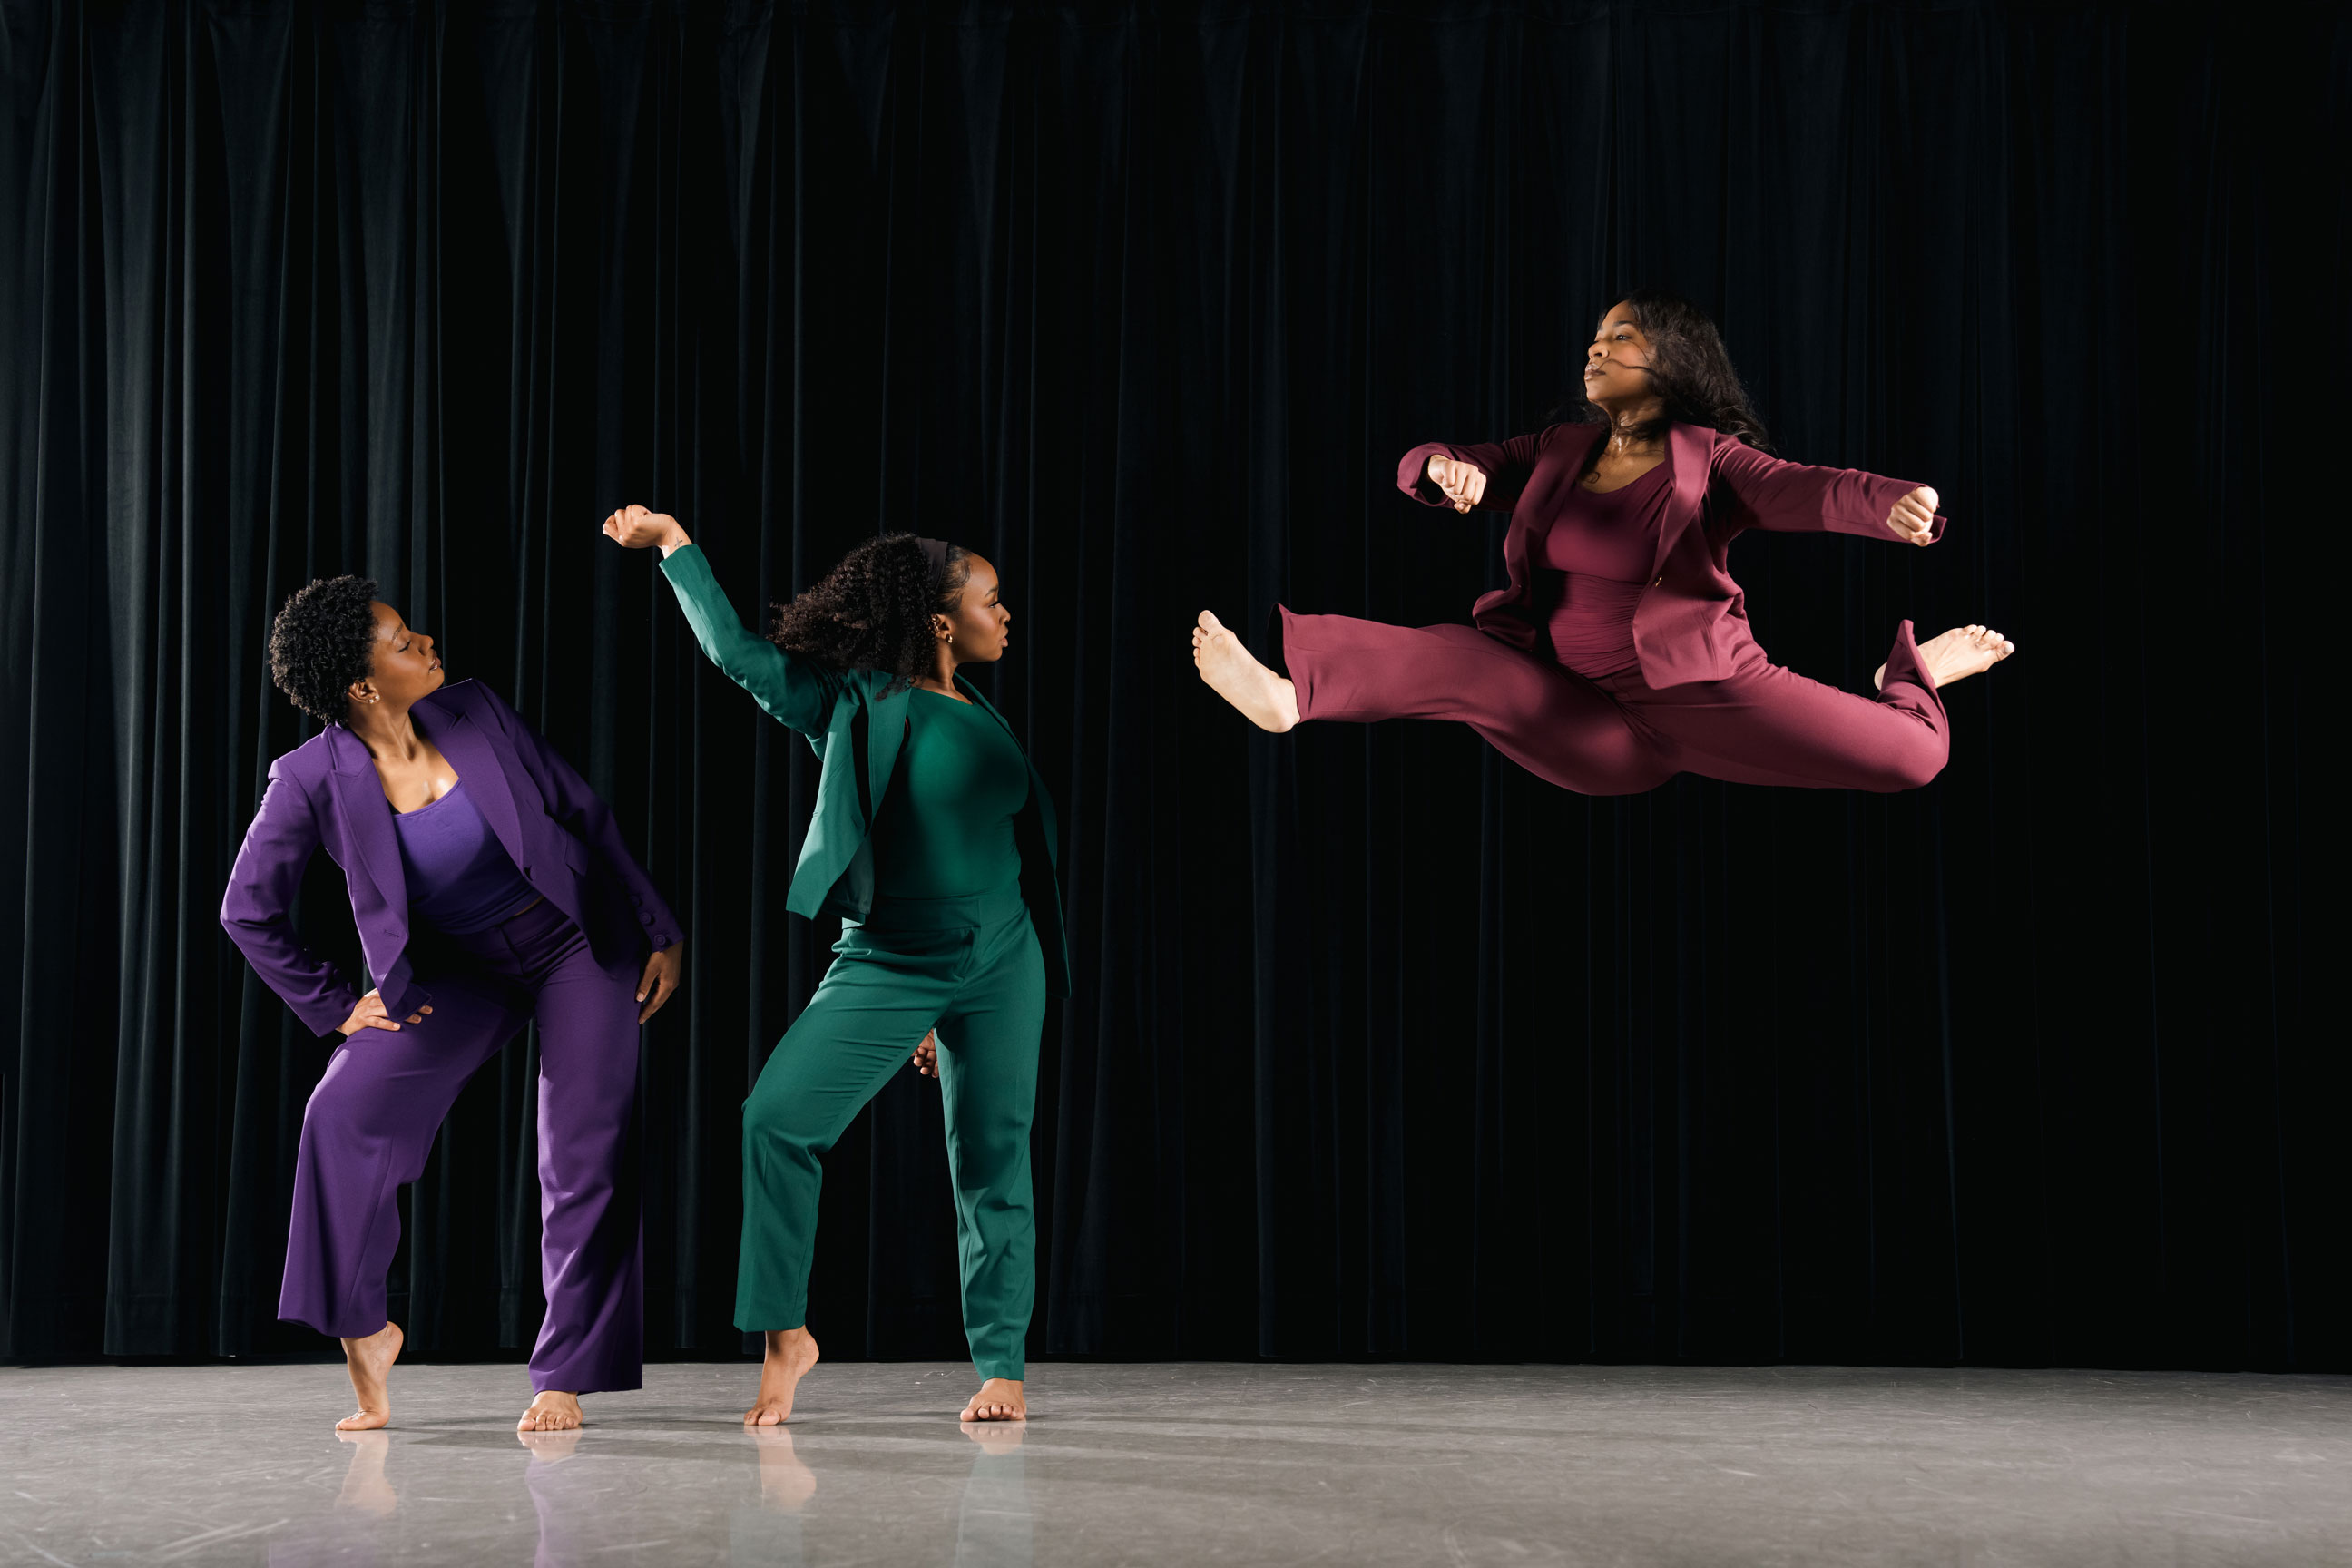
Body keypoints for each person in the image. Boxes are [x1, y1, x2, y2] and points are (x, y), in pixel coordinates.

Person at [602, 505, 1070, 1425]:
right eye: (992, 600)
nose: (1005, 614)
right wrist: (673, 546)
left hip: (1006, 959)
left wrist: (954, 1006)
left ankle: (1002, 1365)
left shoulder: (976, 708)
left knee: (991, 1158)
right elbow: (739, 655)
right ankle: (785, 1335)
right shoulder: (853, 701)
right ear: (941, 619)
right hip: (891, 961)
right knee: (775, 1120)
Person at [1193, 289, 2014, 793]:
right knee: (1466, 659)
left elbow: (1809, 488)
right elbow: (1430, 462)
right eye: (1594, 337)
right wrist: (1446, 469)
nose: (1596, 348)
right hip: (1587, 722)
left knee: (1913, 759)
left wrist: (1891, 503)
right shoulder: (1557, 452)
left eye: (1620, 337)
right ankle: (1295, 697)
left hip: (1706, 692)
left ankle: (1914, 674)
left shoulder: (1713, 464)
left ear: (1674, 360)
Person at [220, 577, 683, 1432]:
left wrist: (659, 927)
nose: (426, 643)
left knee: (581, 1148)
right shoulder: (308, 778)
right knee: (341, 1110)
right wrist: (334, 1004)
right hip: (458, 974)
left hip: (573, 943)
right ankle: (363, 1327)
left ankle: (565, 1373)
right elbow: (244, 907)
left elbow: (581, 810)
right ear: (362, 687)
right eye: (402, 642)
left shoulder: (474, 710)